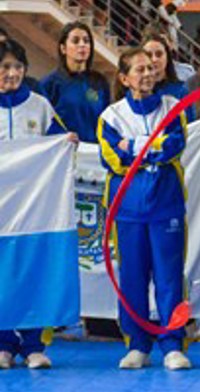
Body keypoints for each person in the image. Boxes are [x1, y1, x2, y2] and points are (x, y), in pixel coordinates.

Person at [97, 48, 190, 370]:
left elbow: (175, 146)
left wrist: (135, 145)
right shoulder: (110, 116)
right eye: (140, 69)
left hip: (166, 205)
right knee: (133, 278)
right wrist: (152, 144)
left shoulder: (173, 107)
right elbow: (113, 159)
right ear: (124, 78)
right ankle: (137, 344)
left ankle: (172, 343)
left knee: (169, 277)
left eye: (151, 68)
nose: (148, 74)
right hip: (128, 209)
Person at [0, 39, 75, 370]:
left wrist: (67, 141)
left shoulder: (39, 105)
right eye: (5, 67)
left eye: (18, 67)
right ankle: (3, 344)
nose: (12, 73)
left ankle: (33, 345)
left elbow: (58, 139)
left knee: (33, 271)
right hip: (1, 213)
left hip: (34, 211)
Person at [40, 22, 110, 143]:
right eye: (76, 41)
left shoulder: (100, 82)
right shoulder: (49, 84)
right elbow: (43, 123)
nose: (82, 45)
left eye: (86, 41)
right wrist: (61, 137)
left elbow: (107, 120)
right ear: (63, 48)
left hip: (94, 153)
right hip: (64, 152)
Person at [142, 33, 194, 120]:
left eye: (159, 54)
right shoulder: (135, 92)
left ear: (167, 57)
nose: (154, 59)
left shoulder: (182, 91)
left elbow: (189, 127)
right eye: (149, 55)